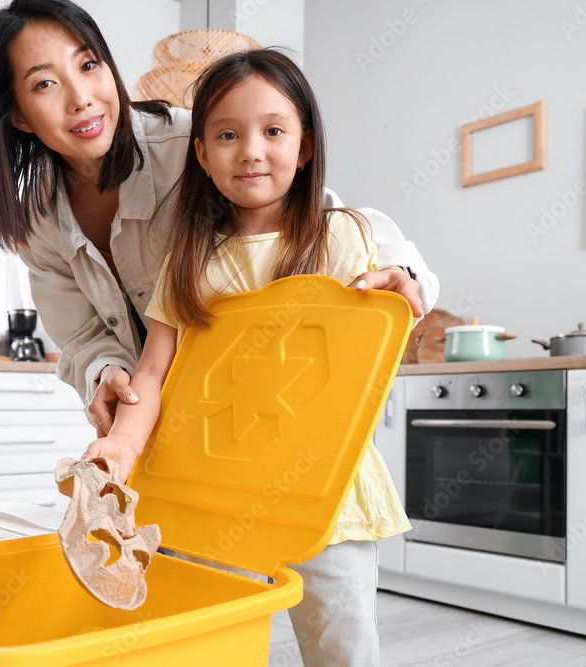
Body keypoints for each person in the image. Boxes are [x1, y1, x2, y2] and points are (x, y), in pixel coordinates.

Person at [0, 0, 439, 437]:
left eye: (89, 65)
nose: (81, 98)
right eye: (44, 83)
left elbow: (316, 216)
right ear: (19, 117)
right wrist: (105, 374)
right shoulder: (34, 221)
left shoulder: (191, 142)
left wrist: (401, 273)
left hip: (254, 413)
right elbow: (83, 336)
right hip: (157, 427)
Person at [81, 49, 406, 666]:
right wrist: (122, 445)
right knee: (210, 642)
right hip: (214, 493)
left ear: (305, 147)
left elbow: (366, 352)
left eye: (274, 131)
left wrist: (402, 288)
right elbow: (152, 371)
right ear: (201, 154)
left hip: (323, 496)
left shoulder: (343, 239)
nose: (251, 150)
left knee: (343, 643)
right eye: (228, 135)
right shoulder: (190, 260)